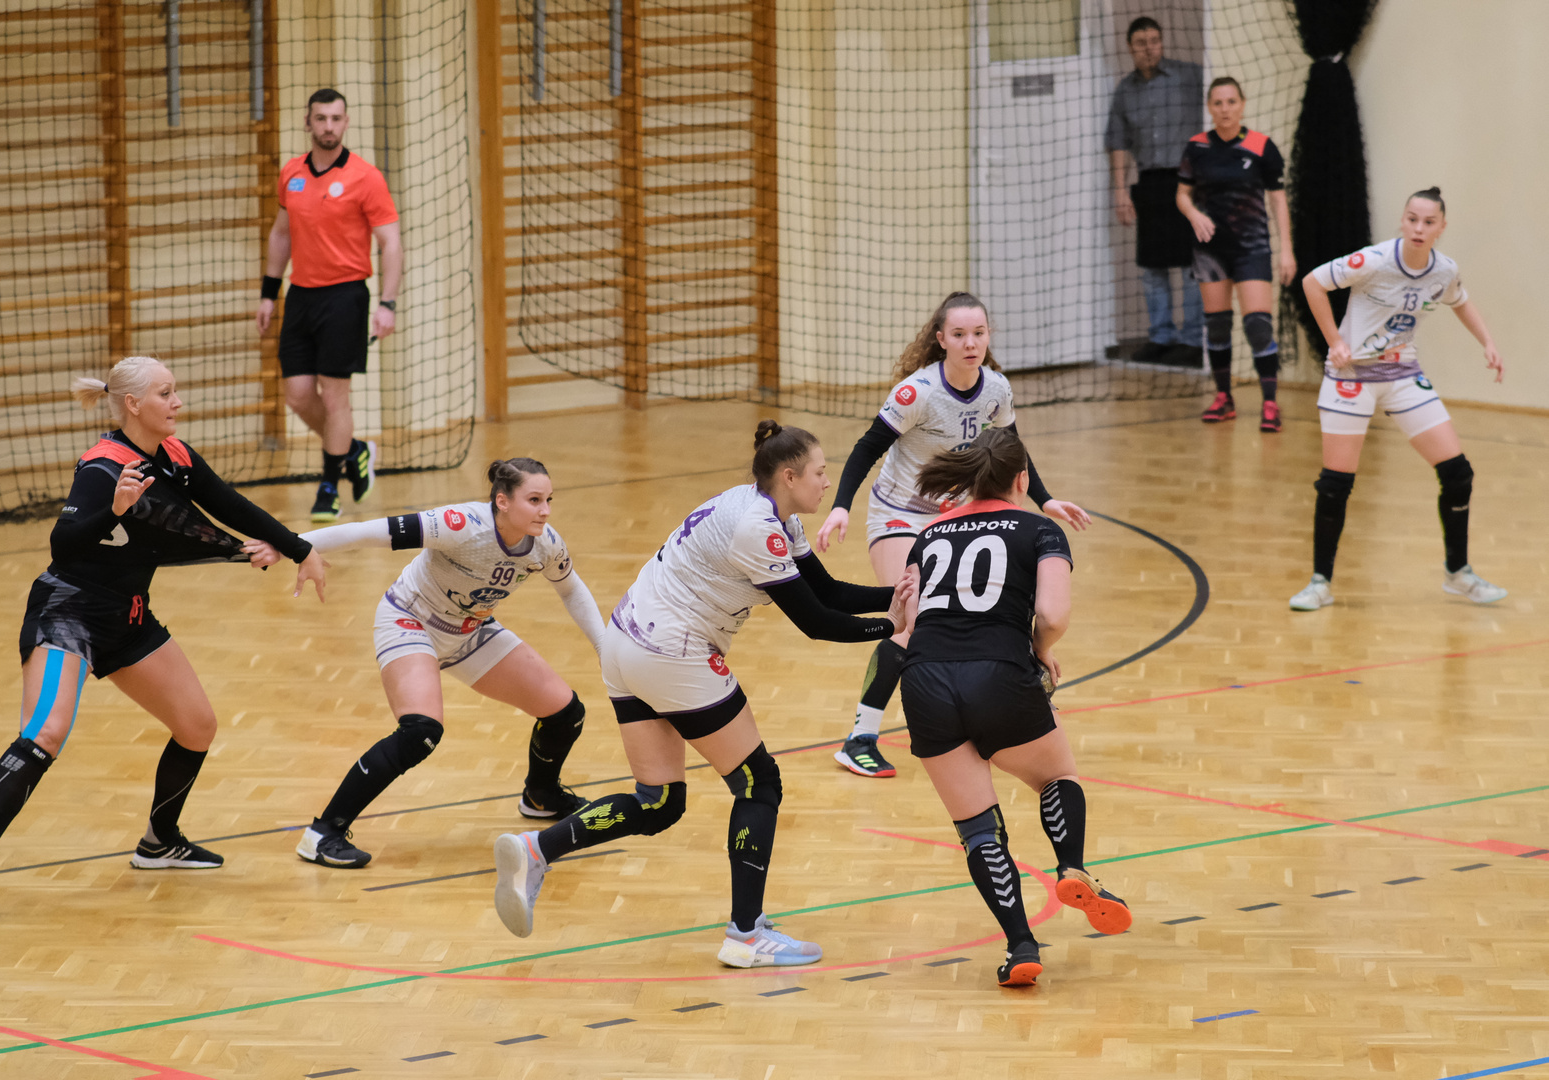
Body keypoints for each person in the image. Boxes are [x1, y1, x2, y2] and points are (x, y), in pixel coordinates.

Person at [491, 422, 914, 968]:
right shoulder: (758, 528)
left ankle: (537, 850)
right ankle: (746, 935)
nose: (827, 483)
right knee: (759, 782)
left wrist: (899, 593)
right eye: (819, 472)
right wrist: (893, 626)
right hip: (671, 651)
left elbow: (827, 591)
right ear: (790, 476)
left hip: (626, 642)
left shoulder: (765, 511)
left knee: (659, 802)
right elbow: (815, 621)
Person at [0, 357, 328, 913]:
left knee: (197, 726)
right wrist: (114, 511)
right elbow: (63, 545)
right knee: (45, 732)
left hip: (128, 616)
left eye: (174, 391)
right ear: (133, 404)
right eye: (165, 393)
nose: (177, 402)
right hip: (68, 613)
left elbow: (229, 505)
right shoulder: (102, 467)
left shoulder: (175, 455)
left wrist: (300, 549)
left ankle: (159, 842)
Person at [813, 292, 1090, 780]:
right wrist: (840, 507)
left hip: (955, 517)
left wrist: (1044, 499)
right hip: (900, 514)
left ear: (988, 336)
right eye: (959, 335)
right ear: (940, 339)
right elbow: (866, 448)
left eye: (978, 333)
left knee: (976, 611)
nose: (970, 343)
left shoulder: (996, 389)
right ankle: (860, 738)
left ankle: (985, 713)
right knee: (909, 621)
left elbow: (1012, 448)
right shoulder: (916, 393)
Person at [897, 427, 1131, 988]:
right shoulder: (1039, 529)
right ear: (1022, 480)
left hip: (923, 679)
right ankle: (1071, 865)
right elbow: (1052, 615)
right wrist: (1040, 650)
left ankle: (1021, 945)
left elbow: (905, 621)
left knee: (977, 828)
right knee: (1056, 777)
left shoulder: (928, 533)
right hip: (998, 672)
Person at [291, 459, 608, 868]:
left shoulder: (545, 543)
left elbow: (571, 590)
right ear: (502, 501)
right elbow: (367, 532)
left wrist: (605, 649)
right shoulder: (461, 524)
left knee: (565, 713)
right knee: (420, 732)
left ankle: (541, 796)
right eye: (534, 500)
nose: (545, 511)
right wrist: (290, 544)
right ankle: (323, 833)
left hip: (470, 631)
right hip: (411, 619)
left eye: (548, 500)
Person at [1289, 187, 1507, 611]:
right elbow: (1312, 283)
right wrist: (1335, 341)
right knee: (1335, 484)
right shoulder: (1373, 260)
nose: (1419, 228)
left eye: (1428, 222)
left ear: (1441, 227)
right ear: (1403, 221)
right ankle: (1319, 583)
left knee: (1458, 474)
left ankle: (1458, 573)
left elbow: (1460, 301)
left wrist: (1488, 342)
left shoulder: (1443, 270)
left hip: (1403, 374)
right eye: (1412, 219)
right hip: (1351, 376)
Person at [257, 88, 403, 523]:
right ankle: (353, 451)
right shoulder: (292, 173)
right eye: (320, 118)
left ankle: (329, 486)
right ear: (308, 122)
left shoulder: (365, 177)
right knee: (298, 395)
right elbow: (281, 233)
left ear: (346, 123)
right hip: (301, 296)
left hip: (345, 296)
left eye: (336, 118)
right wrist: (268, 293)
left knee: (335, 395)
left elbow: (391, 242)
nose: (328, 126)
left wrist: (388, 303)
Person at [1176, 76, 1295, 430]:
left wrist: (1286, 251)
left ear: (1242, 105)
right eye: (1218, 103)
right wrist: (1194, 214)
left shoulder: (1261, 146)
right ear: (1209, 107)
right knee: (1217, 326)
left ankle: (1270, 403)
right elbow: (1182, 195)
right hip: (1210, 251)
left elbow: (1278, 200)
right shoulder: (1197, 147)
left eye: (1231, 102)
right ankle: (1224, 397)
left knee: (1258, 326)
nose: (1225, 109)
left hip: (1252, 248)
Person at [1104, 15, 1205, 366]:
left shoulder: (1191, 76)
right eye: (1141, 44)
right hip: (1149, 184)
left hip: (1189, 182)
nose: (1149, 49)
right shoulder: (1125, 91)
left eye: (1154, 42)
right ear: (1130, 48)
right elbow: (1117, 142)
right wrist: (1120, 191)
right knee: (1152, 267)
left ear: (1162, 43)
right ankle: (1161, 338)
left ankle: (1193, 340)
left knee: (1192, 264)